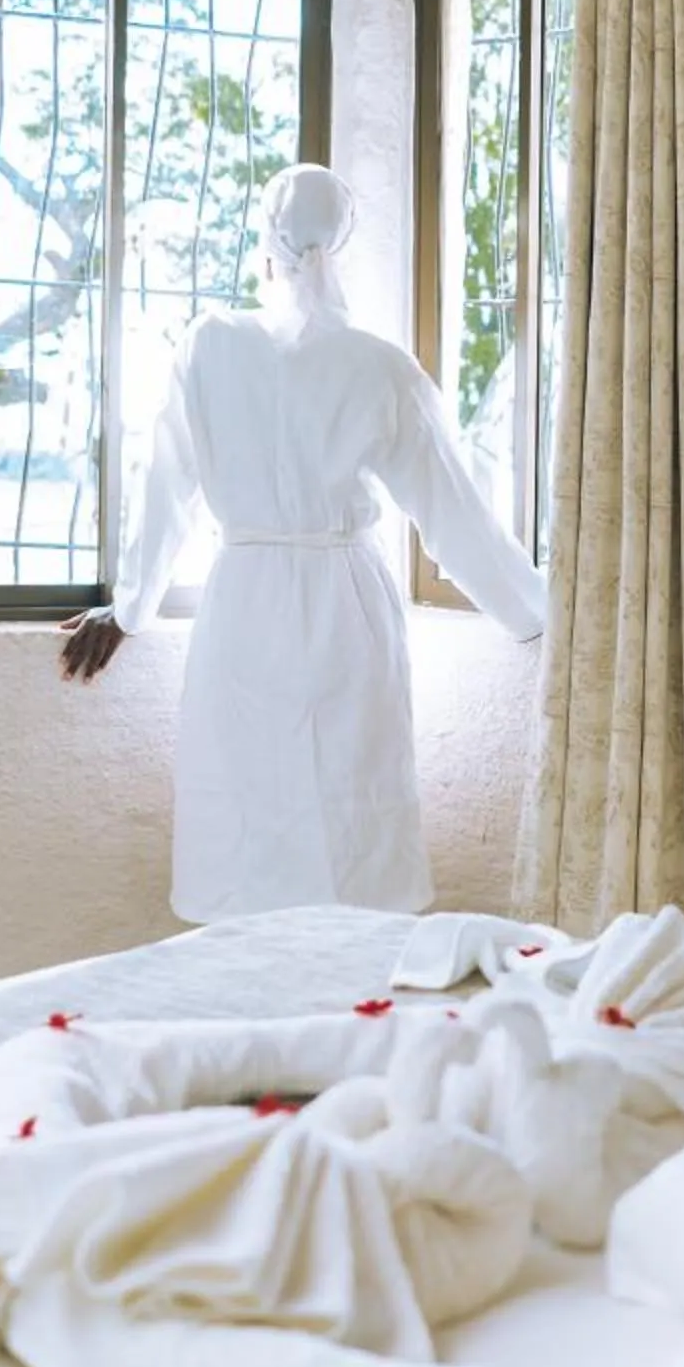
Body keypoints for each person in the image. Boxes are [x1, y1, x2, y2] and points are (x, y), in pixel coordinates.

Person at [59, 162, 547, 921]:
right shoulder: (381, 368)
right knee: (350, 802)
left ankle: (255, 979)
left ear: (266, 241)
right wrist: (534, 613)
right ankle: (351, 977)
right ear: (340, 243)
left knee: (249, 806)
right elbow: (454, 510)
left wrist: (130, 609)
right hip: (346, 607)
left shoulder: (209, 345)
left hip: (244, 605)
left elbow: (166, 489)